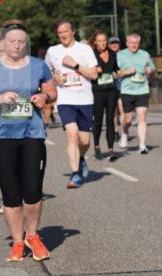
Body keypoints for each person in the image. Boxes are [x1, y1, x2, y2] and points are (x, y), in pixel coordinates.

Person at [0, 21, 57, 262]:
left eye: (21, 41)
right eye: (12, 41)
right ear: (3, 43)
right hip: (0, 136)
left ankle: (33, 235)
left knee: (32, 191)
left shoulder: (39, 66)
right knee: (11, 194)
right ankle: (18, 242)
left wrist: (44, 96)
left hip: (32, 133)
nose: (17, 45)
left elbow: (52, 92)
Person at [45, 20, 99, 189]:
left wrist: (74, 65)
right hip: (65, 100)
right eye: (60, 33)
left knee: (85, 140)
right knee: (72, 134)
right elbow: (46, 72)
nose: (63, 35)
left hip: (85, 100)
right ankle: (75, 174)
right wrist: (54, 78)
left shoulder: (85, 50)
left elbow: (94, 74)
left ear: (73, 31)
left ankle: (81, 158)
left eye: (66, 31)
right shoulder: (52, 51)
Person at [116, 33, 156, 154]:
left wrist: (150, 70)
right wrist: (127, 72)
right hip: (127, 90)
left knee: (142, 117)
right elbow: (115, 73)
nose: (134, 45)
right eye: (131, 43)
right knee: (127, 119)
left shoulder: (144, 54)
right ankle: (125, 133)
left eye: (136, 43)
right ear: (127, 43)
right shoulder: (120, 55)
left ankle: (142, 145)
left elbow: (152, 68)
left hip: (142, 90)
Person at [90, 31, 120, 160]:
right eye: (99, 41)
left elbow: (116, 68)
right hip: (97, 91)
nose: (102, 43)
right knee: (97, 120)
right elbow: (87, 70)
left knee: (110, 120)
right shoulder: (91, 55)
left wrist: (120, 72)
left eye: (104, 40)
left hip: (111, 90)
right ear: (95, 42)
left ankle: (110, 149)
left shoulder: (113, 53)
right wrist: (94, 70)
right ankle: (96, 145)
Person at [108, 36, 126, 146]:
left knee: (122, 109)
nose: (114, 45)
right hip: (110, 84)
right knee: (113, 111)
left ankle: (124, 132)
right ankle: (115, 132)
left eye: (116, 43)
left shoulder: (124, 55)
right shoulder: (107, 55)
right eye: (112, 43)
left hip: (123, 84)